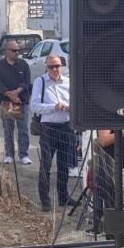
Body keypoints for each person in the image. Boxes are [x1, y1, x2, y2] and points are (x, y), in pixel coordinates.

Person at [30, 54, 76, 212]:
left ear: (62, 66)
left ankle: (63, 197)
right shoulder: (40, 82)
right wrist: (54, 107)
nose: (55, 69)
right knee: (46, 165)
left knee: (64, 165)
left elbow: (76, 102)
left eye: (57, 66)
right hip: (48, 127)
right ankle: (45, 200)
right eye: (51, 67)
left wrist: (69, 107)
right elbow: (35, 106)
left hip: (66, 126)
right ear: (47, 67)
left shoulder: (68, 82)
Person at [0, 39, 31, 165]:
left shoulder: (23, 64)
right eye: (14, 50)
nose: (17, 52)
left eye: (18, 50)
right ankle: (9, 154)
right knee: (8, 129)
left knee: (23, 129)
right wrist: (10, 95)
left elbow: (26, 82)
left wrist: (17, 92)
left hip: (21, 101)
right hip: (7, 102)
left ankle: (24, 154)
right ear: (7, 51)